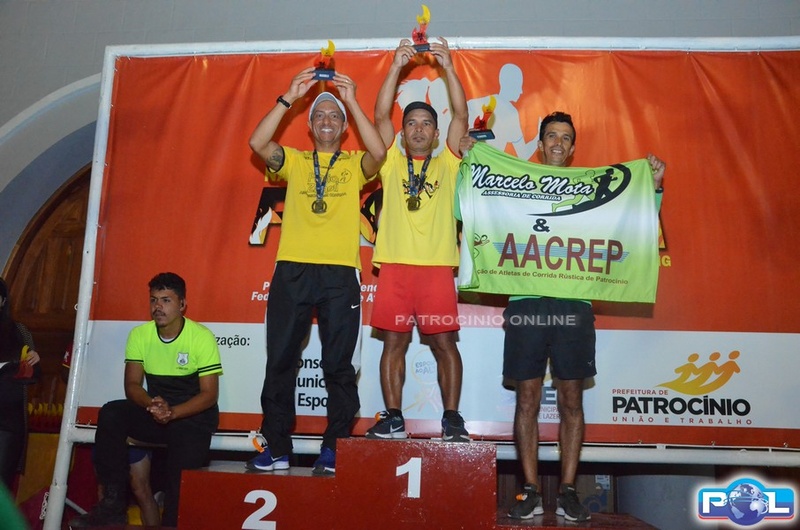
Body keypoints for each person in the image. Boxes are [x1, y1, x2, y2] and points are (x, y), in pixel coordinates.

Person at [462, 112, 666, 522]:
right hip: (527, 304)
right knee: (527, 398)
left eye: (565, 137)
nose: (558, 142)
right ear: (540, 145)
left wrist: (654, 187)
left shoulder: (590, 187)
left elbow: (636, 220)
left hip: (575, 306)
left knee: (572, 400)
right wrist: (469, 164)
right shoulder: (514, 184)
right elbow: (465, 207)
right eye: (551, 135)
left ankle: (569, 490)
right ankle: (530, 490)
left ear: (572, 148)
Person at [246, 67, 386, 475]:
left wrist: (352, 100)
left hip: (340, 274)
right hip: (292, 270)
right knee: (281, 361)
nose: (327, 120)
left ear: (344, 128)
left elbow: (379, 153)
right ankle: (277, 448)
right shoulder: (294, 160)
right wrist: (289, 97)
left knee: (338, 365)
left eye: (334, 116)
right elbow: (257, 142)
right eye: (320, 115)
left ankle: (334, 448)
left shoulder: (355, 164)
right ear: (309, 127)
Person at [366, 38, 470, 442]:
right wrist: (396, 66)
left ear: (437, 132)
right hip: (394, 267)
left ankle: (452, 420)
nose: (419, 129)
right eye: (411, 123)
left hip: (436, 269)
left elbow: (461, 113)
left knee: (444, 345)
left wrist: (449, 68)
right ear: (403, 131)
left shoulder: (449, 162)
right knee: (393, 345)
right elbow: (379, 114)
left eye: (426, 123)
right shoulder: (390, 160)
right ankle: (393, 418)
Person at [69, 272, 222, 528]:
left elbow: (209, 395)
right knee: (111, 414)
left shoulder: (201, 336)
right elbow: (132, 385)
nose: (158, 307)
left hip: (191, 418)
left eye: (166, 300)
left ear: (182, 304)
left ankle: (173, 521)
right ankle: (112, 506)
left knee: (178, 489)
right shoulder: (140, 335)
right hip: (158, 411)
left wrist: (173, 412)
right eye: (153, 300)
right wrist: (152, 405)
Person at [62, 343, 162, 527]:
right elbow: (66, 373)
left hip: (132, 420)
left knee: (140, 489)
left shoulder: (141, 340)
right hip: (103, 422)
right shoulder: (91, 336)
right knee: (106, 489)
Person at [0, 277, 41, 492]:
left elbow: (33, 376)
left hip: (8, 421)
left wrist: (34, 361)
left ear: (3, 301)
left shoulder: (18, 331)